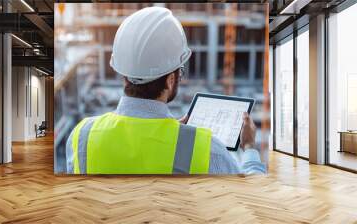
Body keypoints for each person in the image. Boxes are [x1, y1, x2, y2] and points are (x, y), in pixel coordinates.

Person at [66, 7, 266, 175]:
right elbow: (252, 200)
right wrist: (249, 148)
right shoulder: (209, 151)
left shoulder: (82, 135)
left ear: (124, 74)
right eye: (180, 71)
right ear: (171, 80)